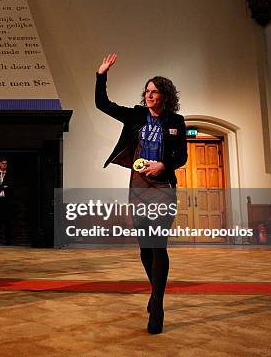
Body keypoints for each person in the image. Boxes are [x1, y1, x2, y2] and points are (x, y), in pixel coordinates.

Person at [95, 53, 187, 335]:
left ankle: (157, 304)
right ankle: (154, 291)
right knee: (145, 249)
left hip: (163, 189)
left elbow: (181, 156)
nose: (148, 95)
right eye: (146, 91)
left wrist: (164, 164)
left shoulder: (176, 121)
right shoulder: (136, 115)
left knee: (159, 245)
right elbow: (103, 104)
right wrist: (102, 75)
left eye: (154, 92)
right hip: (137, 189)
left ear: (164, 96)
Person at [0, 159, 13, 245]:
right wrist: (2, 186)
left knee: (8, 222)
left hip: (7, 202)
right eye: (3, 163)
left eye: (6, 163)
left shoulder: (9, 174)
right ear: (0, 164)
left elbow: (10, 185)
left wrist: (4, 186)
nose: (4, 165)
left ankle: (8, 241)